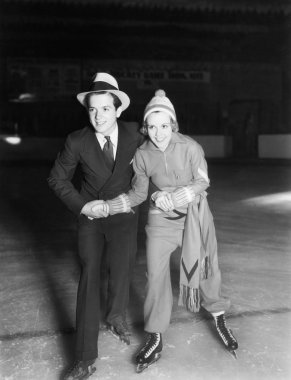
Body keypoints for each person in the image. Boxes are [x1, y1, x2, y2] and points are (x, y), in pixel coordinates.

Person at [97, 89, 238, 372]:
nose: (158, 132)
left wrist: (180, 195)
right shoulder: (142, 155)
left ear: (172, 125)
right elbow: (138, 193)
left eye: (164, 125)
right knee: (155, 276)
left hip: (195, 218)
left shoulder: (190, 147)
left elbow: (203, 182)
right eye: (152, 126)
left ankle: (219, 316)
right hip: (161, 222)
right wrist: (111, 205)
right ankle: (155, 335)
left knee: (206, 269)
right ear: (145, 127)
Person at [48, 73, 144, 380]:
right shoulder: (77, 140)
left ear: (118, 110)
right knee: (90, 276)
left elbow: (163, 153)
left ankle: (116, 315)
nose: (98, 115)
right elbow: (57, 178)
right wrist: (82, 206)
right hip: (91, 217)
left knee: (122, 268)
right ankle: (85, 357)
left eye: (105, 108)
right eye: (92, 109)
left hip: (124, 217)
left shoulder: (135, 135)